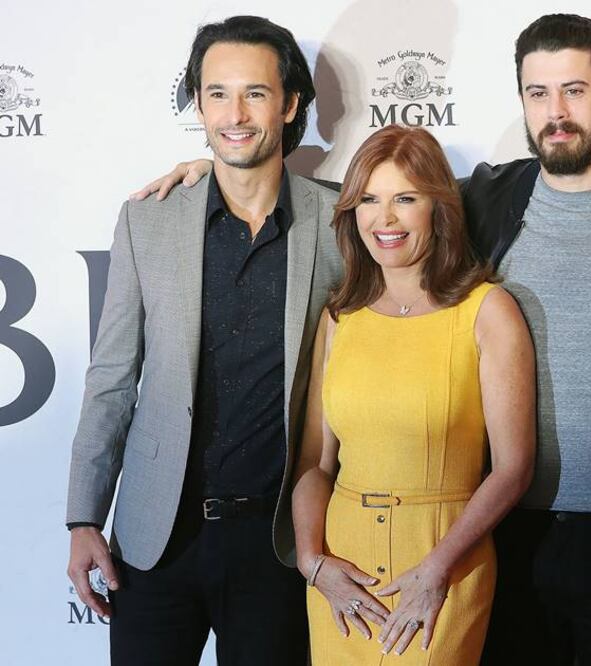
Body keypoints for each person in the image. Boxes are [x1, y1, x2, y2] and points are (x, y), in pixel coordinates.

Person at [134, 14, 591, 665]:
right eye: (538, 92)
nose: (555, 111)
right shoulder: (493, 199)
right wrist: (223, 170)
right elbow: (378, 193)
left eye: (574, 90)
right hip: (497, 537)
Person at [64, 16, 342, 665]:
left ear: (290, 104)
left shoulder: (341, 224)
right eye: (217, 93)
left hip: (277, 543)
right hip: (154, 540)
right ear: (198, 103)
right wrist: (83, 517)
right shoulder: (147, 219)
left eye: (254, 93)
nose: (233, 114)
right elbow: (111, 380)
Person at [290, 124, 535, 664]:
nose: (385, 219)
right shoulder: (340, 316)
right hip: (341, 577)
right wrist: (313, 563)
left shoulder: (487, 311)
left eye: (405, 198)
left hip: (442, 565)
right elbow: (313, 464)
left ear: (438, 208)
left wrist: (437, 569)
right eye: (369, 200)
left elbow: (513, 469)